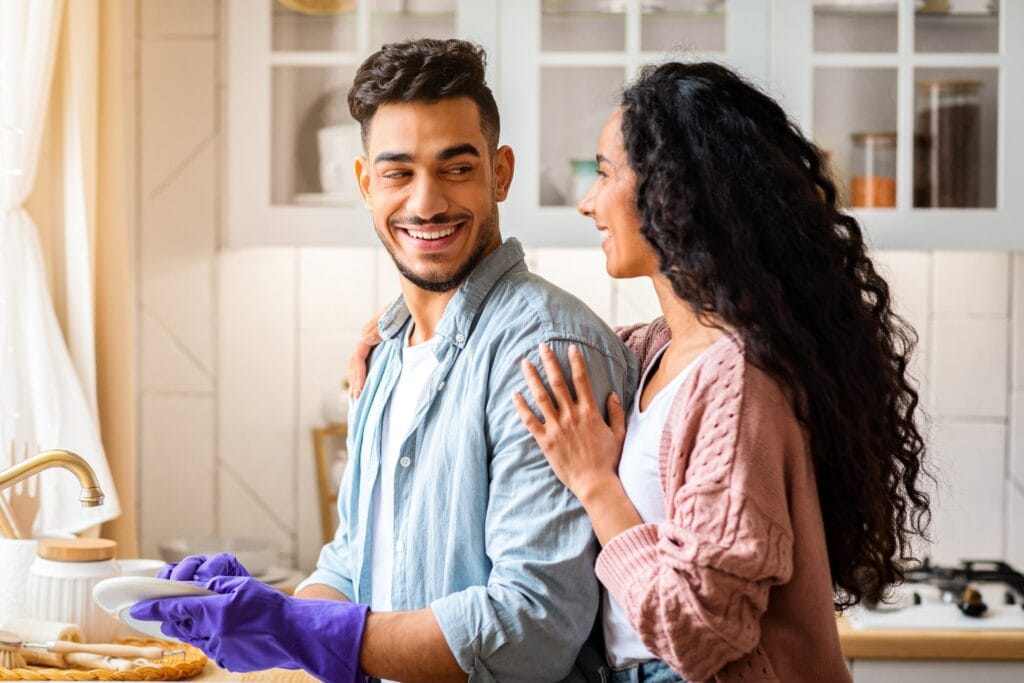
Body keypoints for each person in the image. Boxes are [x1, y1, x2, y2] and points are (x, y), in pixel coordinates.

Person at [346, 61, 932, 682]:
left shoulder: (740, 381)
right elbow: (523, 336)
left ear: (674, 191)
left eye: (604, 175)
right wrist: (400, 332)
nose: (588, 202)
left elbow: (700, 631)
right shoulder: (659, 351)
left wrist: (596, 483)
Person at [129, 39, 638, 683]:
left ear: (500, 173)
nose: (426, 203)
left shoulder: (542, 354)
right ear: (366, 183)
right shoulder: (385, 355)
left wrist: (299, 629)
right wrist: (276, 620)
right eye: (398, 172)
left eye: (456, 168)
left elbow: (529, 631)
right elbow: (350, 566)